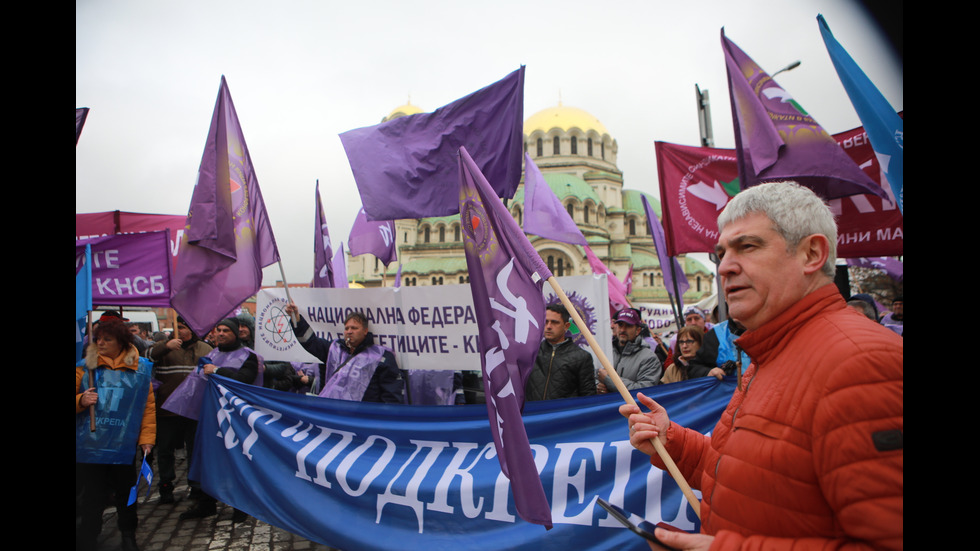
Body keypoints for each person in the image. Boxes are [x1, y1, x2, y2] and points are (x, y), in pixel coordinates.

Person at [620, 181, 903, 550]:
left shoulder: (862, 364)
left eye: (747, 247)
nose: (725, 267)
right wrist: (670, 439)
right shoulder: (772, 353)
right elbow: (746, 478)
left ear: (811, 254)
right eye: (720, 253)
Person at [76, 318, 156, 551]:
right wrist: (81, 400)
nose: (100, 343)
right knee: (92, 498)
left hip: (122, 447)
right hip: (90, 448)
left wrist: (147, 440)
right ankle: (88, 537)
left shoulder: (140, 370)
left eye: (107, 339)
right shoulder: (84, 368)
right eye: (97, 339)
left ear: (121, 342)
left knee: (126, 496)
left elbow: (147, 408)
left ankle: (128, 535)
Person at [179, 318, 261, 522]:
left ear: (236, 333)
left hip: (235, 418)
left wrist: (216, 371)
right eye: (219, 330)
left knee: (235, 459)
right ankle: (207, 504)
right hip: (210, 417)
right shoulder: (211, 355)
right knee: (208, 458)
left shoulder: (248, 356)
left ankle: (240, 505)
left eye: (226, 330)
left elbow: (245, 379)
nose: (221, 333)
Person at [146, 316, 213, 504]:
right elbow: (146, 356)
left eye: (183, 328)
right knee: (165, 450)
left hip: (194, 410)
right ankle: (166, 485)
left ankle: (196, 485)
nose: (179, 331)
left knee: (194, 448)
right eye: (178, 327)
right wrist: (165, 346)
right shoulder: (164, 347)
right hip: (167, 409)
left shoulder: (205, 349)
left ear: (191, 330)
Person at [284, 303, 403, 403]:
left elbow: (391, 395)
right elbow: (310, 342)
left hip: (365, 420)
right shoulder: (334, 349)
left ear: (365, 331)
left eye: (354, 328)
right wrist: (297, 319)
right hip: (335, 418)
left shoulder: (381, 356)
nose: (349, 332)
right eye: (346, 328)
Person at [525, 304, 597, 400]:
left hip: (564, 414)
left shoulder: (582, 357)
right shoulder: (531, 352)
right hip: (533, 414)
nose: (549, 326)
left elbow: (588, 397)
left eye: (554, 322)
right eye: (545, 322)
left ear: (566, 326)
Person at [597, 308, 663, 393]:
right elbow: (595, 377)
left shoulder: (649, 358)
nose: (623, 330)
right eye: (620, 325)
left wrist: (610, 380)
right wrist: (599, 387)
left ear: (638, 330)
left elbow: (643, 392)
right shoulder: (606, 352)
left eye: (628, 325)